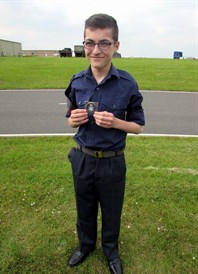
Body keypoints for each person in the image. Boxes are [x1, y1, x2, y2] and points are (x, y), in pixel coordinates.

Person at [65, 13, 145, 274]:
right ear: (84, 44)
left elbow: (138, 126)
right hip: (83, 158)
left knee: (111, 211)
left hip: (112, 161)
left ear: (116, 46)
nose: (96, 50)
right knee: (84, 208)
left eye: (104, 43)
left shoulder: (127, 84)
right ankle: (85, 246)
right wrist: (73, 120)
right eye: (90, 43)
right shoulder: (77, 82)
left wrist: (115, 123)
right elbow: (69, 119)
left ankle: (111, 251)